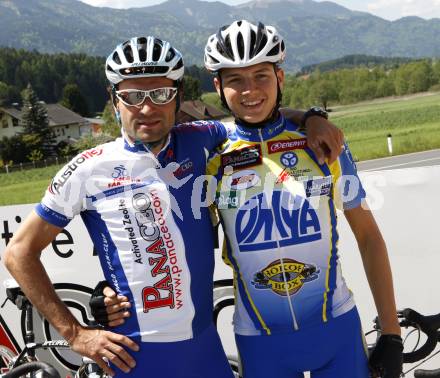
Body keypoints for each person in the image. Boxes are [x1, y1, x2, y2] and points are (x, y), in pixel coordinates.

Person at [2, 35, 343, 377]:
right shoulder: (88, 168)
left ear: (179, 97)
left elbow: (256, 115)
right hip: (136, 357)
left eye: (161, 94)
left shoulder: (201, 138)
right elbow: (18, 253)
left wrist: (311, 117)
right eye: (133, 96)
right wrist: (76, 333)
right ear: (113, 99)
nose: (147, 108)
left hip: (207, 352)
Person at [94, 22, 404, 378]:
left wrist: (392, 333)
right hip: (260, 343)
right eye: (236, 80)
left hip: (336, 332)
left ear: (281, 78)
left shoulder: (323, 145)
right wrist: (110, 291)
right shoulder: (209, 154)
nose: (250, 90)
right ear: (218, 86)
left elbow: (368, 237)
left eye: (261, 76)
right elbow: (165, 245)